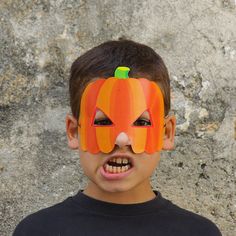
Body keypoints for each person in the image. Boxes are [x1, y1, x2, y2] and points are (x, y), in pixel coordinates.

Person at [13, 39, 222, 236]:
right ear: (74, 131)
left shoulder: (198, 233)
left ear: (166, 133)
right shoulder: (37, 231)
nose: (121, 139)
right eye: (103, 122)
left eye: (141, 122)